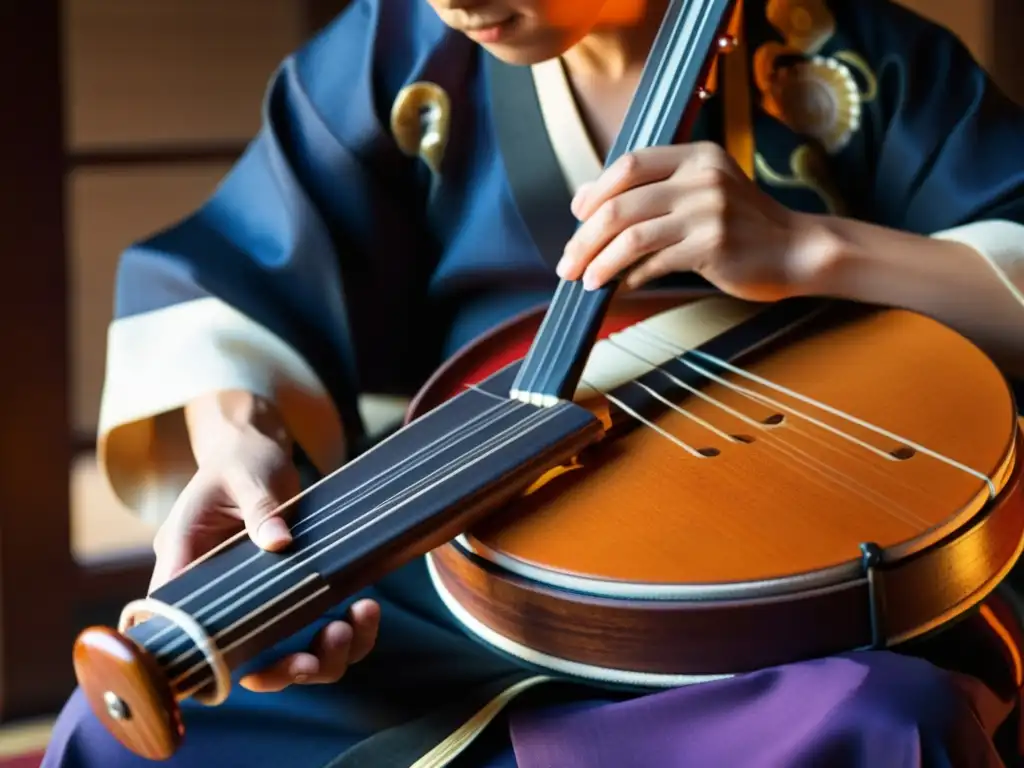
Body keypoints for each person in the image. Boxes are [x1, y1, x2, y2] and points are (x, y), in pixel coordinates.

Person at [44, 0, 1024, 765]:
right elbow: (237, 284)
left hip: (770, 602)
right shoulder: (393, 49)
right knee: (120, 726)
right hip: (464, 567)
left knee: (891, 720)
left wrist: (809, 246)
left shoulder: (849, 54)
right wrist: (235, 439)